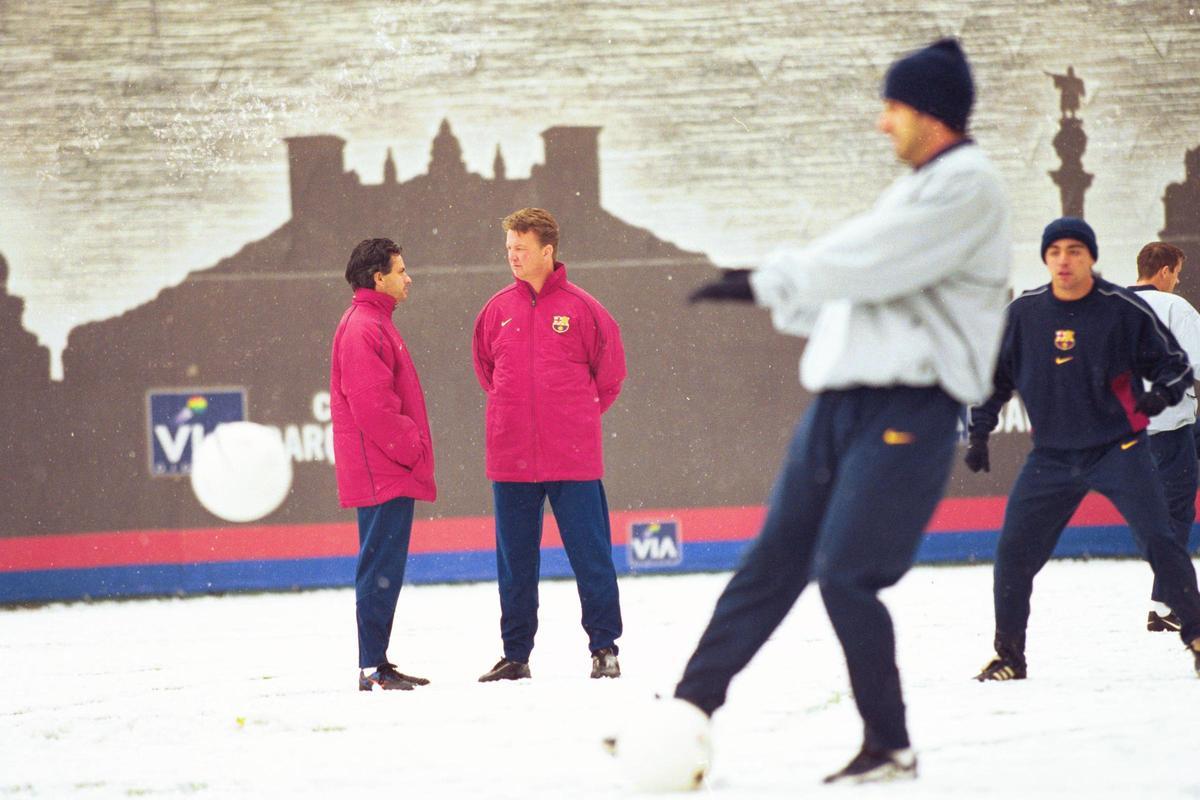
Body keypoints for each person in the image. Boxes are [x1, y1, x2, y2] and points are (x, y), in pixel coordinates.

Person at [675, 38, 1010, 784]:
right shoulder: (918, 188)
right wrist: (775, 288)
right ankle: (686, 712)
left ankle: (888, 744)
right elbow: (861, 281)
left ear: (931, 113)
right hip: (842, 405)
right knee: (773, 563)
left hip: (910, 406)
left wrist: (764, 280)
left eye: (892, 108)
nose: (882, 124)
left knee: (847, 573)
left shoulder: (968, 187)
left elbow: (871, 260)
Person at [967, 219, 1200, 682]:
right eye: (1055, 251)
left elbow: (1174, 366)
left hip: (1120, 446)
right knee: (1013, 551)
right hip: (1052, 454)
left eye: (1075, 250)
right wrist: (979, 429)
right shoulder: (1026, 312)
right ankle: (1009, 656)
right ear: (1045, 258)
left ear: (1091, 256)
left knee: (1159, 539)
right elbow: (998, 378)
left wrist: (1160, 396)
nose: (1064, 259)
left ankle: (1195, 636)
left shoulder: (1121, 309)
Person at [472, 207, 627, 682]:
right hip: (510, 458)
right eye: (509, 250)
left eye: (521, 249)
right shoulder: (496, 310)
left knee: (591, 555)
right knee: (515, 563)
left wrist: (571, 421)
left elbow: (611, 376)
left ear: (547, 251)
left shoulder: (584, 309)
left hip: (573, 459)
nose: (513, 257)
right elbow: (485, 372)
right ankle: (516, 655)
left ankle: (604, 648)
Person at [329, 238, 437, 691]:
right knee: (379, 568)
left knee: (382, 567)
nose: (408, 278)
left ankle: (378, 662)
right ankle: (372, 667)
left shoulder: (372, 321)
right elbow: (374, 408)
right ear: (378, 278)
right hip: (385, 468)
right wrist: (412, 447)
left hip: (386, 467)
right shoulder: (364, 326)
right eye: (401, 270)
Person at [1129, 242, 1200, 633]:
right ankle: (1166, 602)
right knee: (1176, 512)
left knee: (1161, 512)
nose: (1176, 281)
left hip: (1128, 430)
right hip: (1170, 425)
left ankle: (1165, 600)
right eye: (1176, 273)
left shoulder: (1111, 305)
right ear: (1165, 270)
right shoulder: (1175, 308)